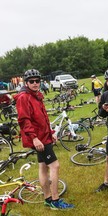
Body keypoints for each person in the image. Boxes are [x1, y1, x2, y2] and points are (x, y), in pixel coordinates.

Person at [14, 69, 74, 210]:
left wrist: (51, 132)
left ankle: (47, 198)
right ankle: (55, 200)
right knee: (54, 166)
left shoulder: (36, 95)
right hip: (38, 138)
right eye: (31, 81)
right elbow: (24, 120)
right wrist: (34, 138)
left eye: (37, 81)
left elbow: (42, 118)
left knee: (42, 166)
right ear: (26, 83)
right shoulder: (24, 97)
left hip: (44, 136)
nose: (35, 83)